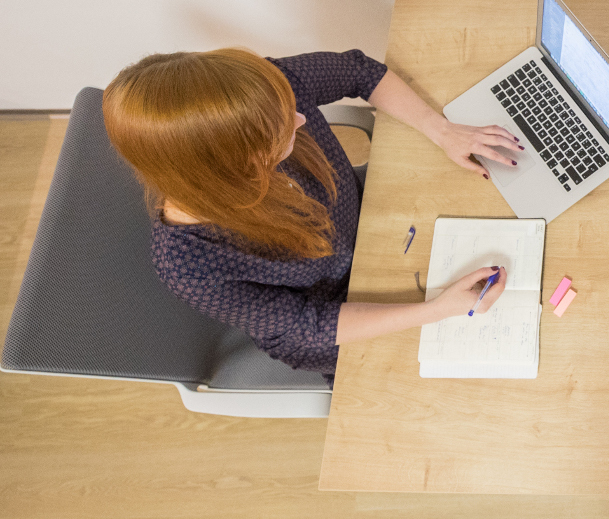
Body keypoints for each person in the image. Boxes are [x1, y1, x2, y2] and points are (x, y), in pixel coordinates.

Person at [102, 48, 526, 385]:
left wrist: (442, 130)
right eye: (280, 128)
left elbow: (360, 73)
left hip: (378, 233)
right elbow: (309, 326)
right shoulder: (187, 263)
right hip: (343, 321)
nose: (301, 118)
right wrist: (437, 309)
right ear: (233, 166)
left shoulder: (268, 91)